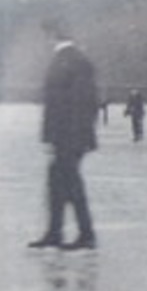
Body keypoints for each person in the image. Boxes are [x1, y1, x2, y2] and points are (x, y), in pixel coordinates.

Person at [29, 20, 99, 250]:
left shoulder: (72, 61)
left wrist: (60, 138)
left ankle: (84, 234)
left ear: (52, 35)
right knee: (59, 182)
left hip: (69, 136)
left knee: (69, 183)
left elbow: (78, 103)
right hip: (67, 136)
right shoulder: (70, 60)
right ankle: (57, 232)